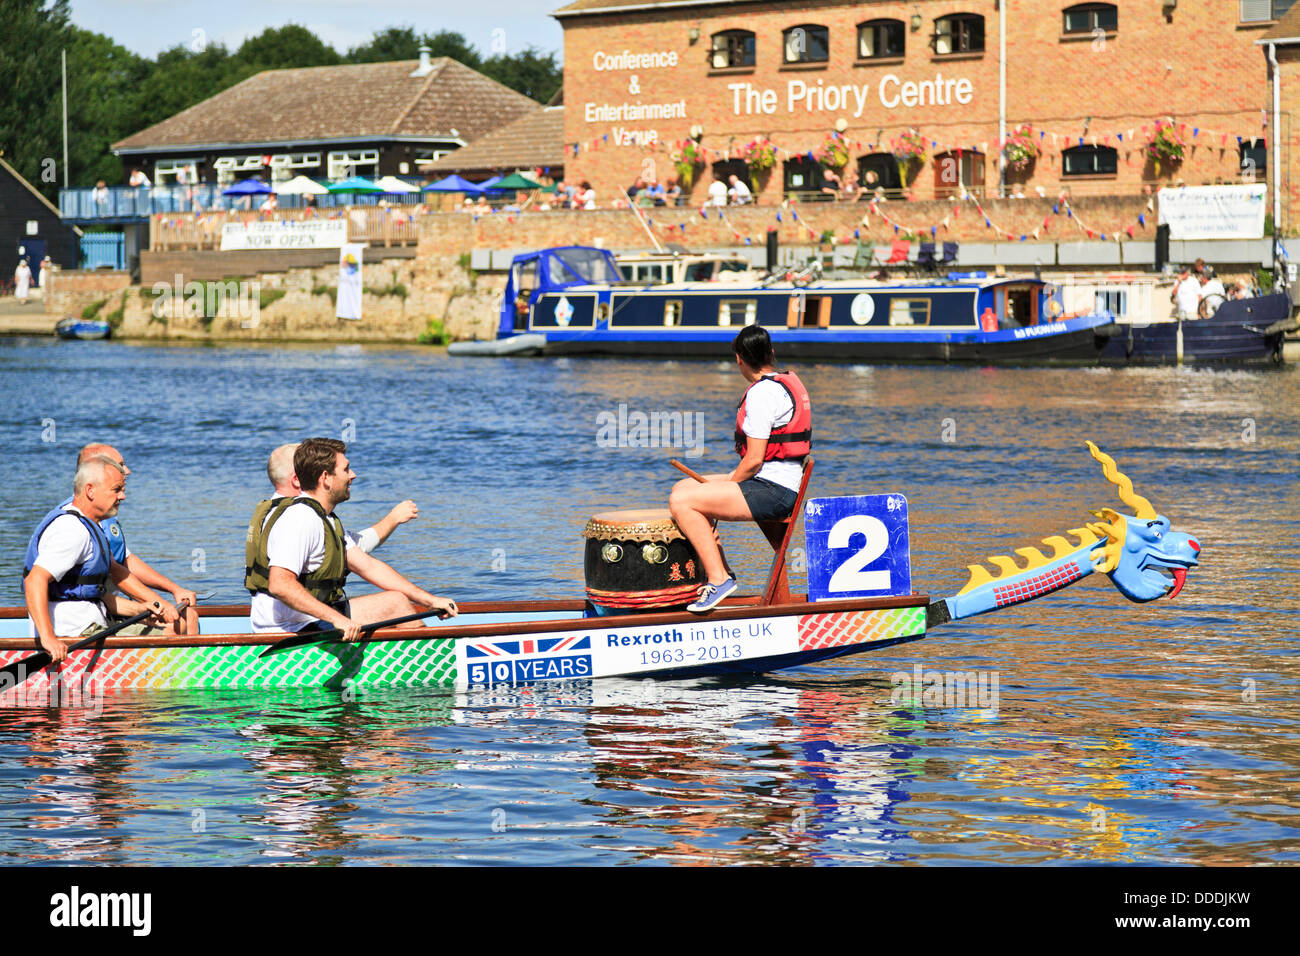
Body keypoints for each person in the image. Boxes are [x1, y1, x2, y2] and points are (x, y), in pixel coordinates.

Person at [246, 438, 456, 637]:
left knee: (396, 601)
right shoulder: (301, 518)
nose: (353, 475)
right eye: (346, 469)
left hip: (305, 620)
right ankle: (431, 660)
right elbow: (279, 584)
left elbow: (369, 567)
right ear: (325, 478)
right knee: (395, 604)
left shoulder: (323, 518)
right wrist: (337, 619)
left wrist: (430, 600)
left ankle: (416, 657)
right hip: (289, 628)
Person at [669, 325, 812, 614]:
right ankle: (721, 570)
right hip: (774, 482)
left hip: (774, 491)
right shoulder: (785, 382)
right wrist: (719, 487)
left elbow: (754, 459)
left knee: (681, 501)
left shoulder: (762, 394)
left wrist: (728, 486)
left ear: (739, 359)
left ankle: (718, 580)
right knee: (684, 488)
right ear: (771, 353)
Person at [24, 456, 181, 662]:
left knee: (173, 626)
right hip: (74, 635)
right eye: (117, 489)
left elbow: (97, 592)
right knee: (171, 636)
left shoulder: (92, 526)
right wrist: (48, 638)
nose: (122, 496)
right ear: (90, 491)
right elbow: (34, 580)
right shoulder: (72, 531)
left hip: (95, 627)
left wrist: (142, 609)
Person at [61, 443, 199, 634]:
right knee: (174, 627)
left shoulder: (105, 517)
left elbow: (125, 561)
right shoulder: (74, 522)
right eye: (119, 465)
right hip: (89, 617)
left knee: (189, 616)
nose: (127, 470)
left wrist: (174, 589)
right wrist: (155, 603)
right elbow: (115, 572)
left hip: (108, 606)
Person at [256, 442, 418, 555]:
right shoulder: (303, 518)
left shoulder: (269, 513)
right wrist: (394, 518)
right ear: (297, 479)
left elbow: (355, 548)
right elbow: (359, 547)